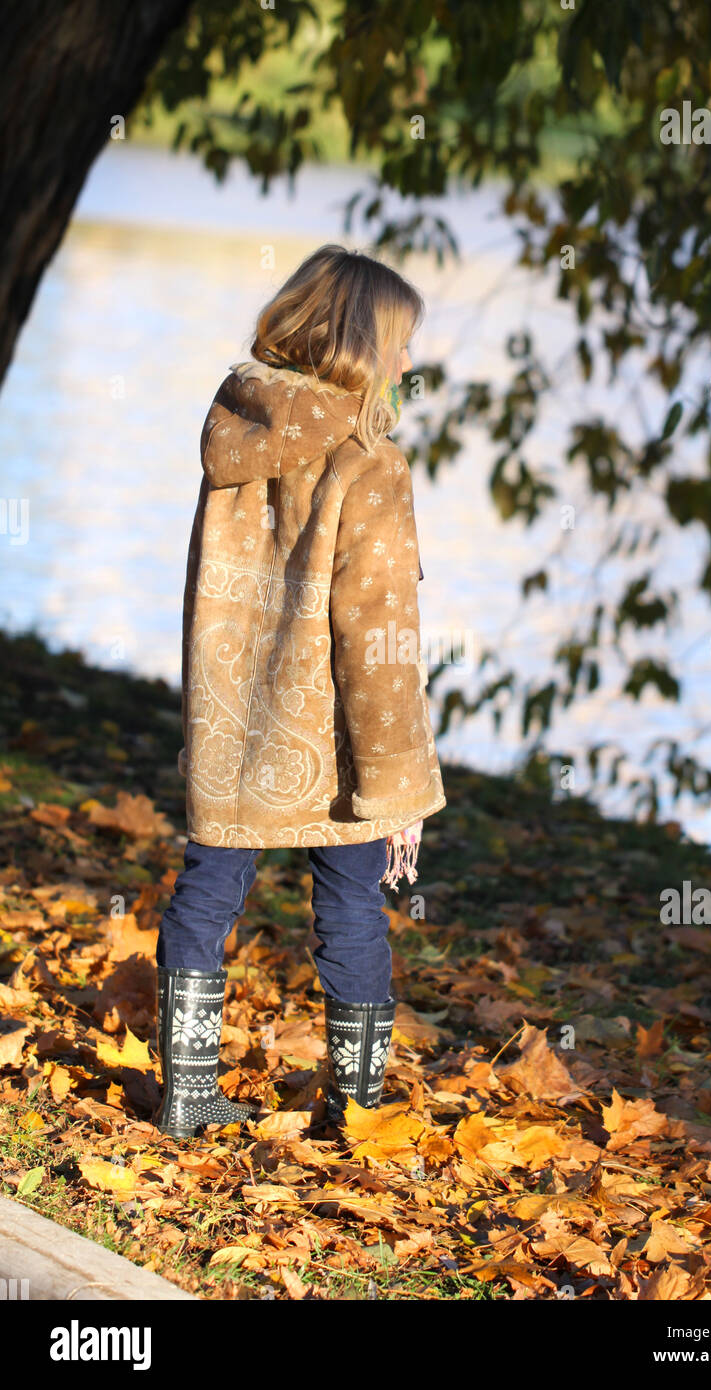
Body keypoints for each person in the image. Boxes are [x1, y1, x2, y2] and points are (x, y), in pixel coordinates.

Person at [154, 244, 446, 1138]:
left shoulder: (236, 430)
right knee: (352, 901)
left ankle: (186, 1095)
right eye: (399, 344)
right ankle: (354, 1110)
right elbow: (380, 642)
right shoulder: (371, 465)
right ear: (360, 346)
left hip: (231, 712)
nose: (407, 363)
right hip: (330, 732)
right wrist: (398, 786)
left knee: (208, 887)